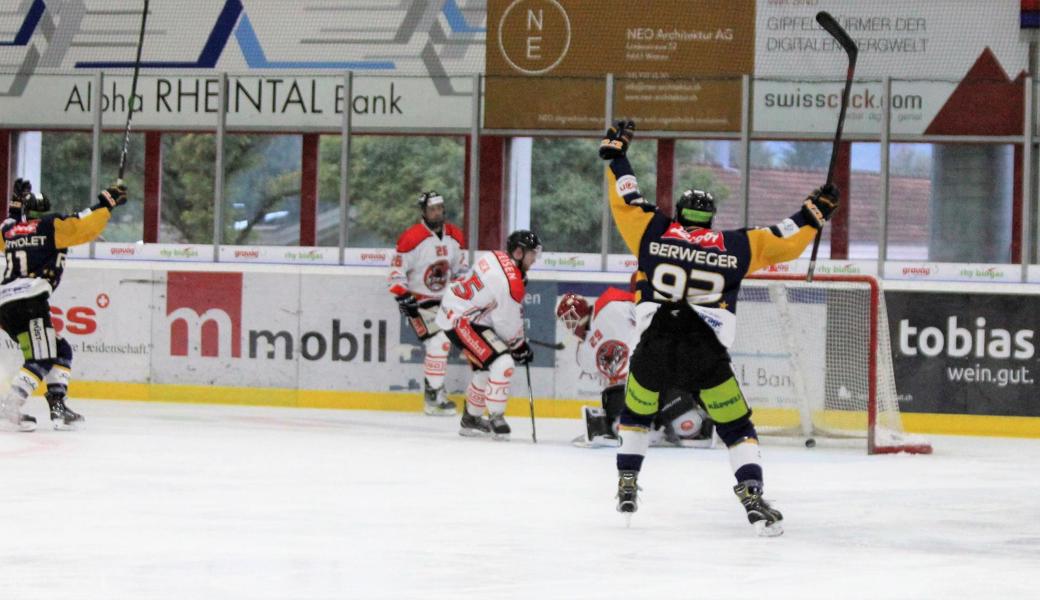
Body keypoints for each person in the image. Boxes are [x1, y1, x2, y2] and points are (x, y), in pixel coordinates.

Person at [599, 120, 840, 536]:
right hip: (705, 352)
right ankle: (750, 490)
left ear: (679, 213)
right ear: (709, 219)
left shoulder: (652, 230)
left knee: (636, 415)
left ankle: (627, 481)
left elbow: (628, 199)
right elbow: (784, 236)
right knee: (736, 429)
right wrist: (812, 215)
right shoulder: (737, 245)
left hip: (654, 345)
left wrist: (617, 157)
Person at [0, 178, 128, 431]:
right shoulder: (52, 226)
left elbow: (11, 225)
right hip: (31, 300)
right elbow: (84, 225)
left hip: (5, 304)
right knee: (44, 356)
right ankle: (10, 407)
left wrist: (16, 205)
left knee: (61, 350)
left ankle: (58, 408)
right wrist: (108, 201)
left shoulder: (11, 230)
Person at [556, 289, 713, 448]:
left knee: (687, 424)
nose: (570, 325)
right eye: (566, 321)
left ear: (581, 309)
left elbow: (649, 310)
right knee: (626, 429)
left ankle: (699, 414)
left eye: (570, 318)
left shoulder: (610, 304)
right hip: (625, 390)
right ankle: (653, 425)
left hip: (658, 374)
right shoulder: (583, 353)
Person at [434, 230, 541, 440]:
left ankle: (471, 420)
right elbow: (504, 323)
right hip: (460, 319)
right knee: (503, 362)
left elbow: (491, 302)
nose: (534, 259)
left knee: (486, 368)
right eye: (532, 254)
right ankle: (496, 417)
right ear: (518, 253)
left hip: (460, 311)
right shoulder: (511, 284)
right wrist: (518, 346)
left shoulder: (495, 256)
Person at [387, 191, 468, 416]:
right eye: (432, 209)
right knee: (439, 341)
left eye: (440, 208)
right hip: (419, 303)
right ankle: (433, 397)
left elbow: (460, 270)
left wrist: (465, 294)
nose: (437, 212)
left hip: (446, 302)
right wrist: (404, 297)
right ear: (423, 212)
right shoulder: (411, 237)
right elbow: (395, 274)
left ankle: (478, 396)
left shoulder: (455, 236)